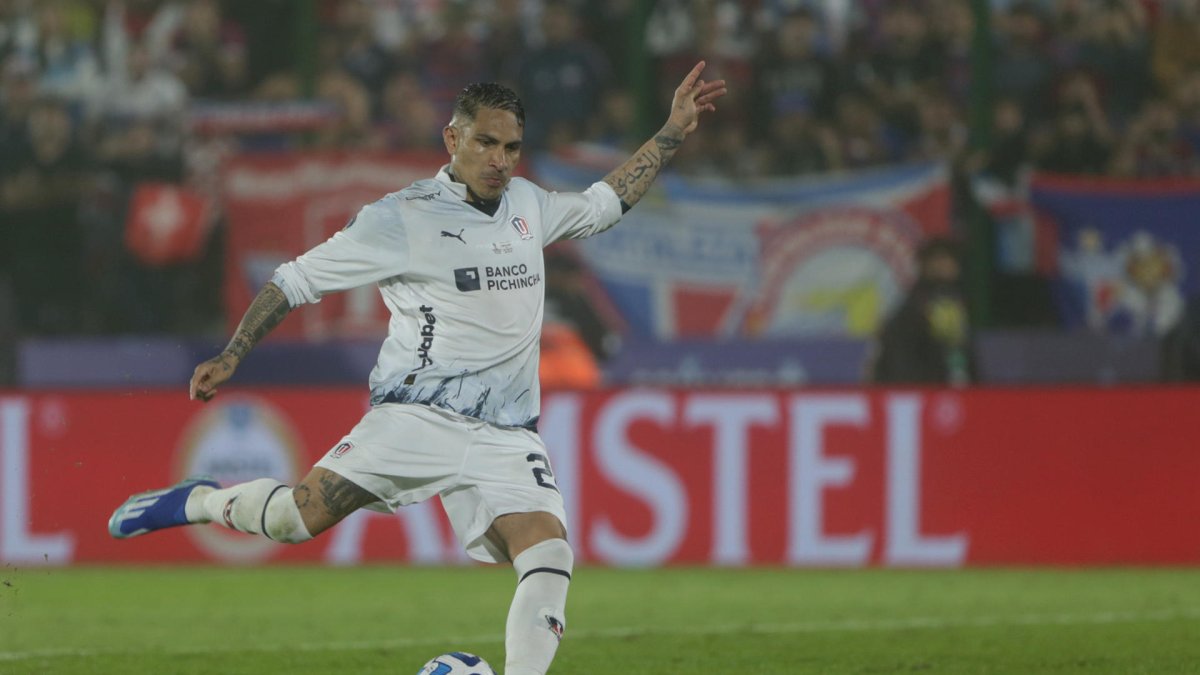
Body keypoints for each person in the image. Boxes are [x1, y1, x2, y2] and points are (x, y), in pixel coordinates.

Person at [108, 63, 726, 675]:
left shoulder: (528, 205)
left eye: (511, 147)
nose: (499, 159)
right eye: (485, 142)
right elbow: (294, 280)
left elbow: (604, 202)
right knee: (294, 520)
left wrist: (671, 130)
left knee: (549, 548)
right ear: (453, 140)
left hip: (507, 433)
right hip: (416, 419)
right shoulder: (401, 217)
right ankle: (198, 503)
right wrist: (233, 353)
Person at [870, 237, 978, 386]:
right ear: (926, 264)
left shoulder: (959, 300)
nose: (948, 265)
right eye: (941, 259)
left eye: (952, 260)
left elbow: (963, 353)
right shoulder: (912, 307)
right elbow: (900, 362)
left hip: (957, 394)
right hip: (917, 394)